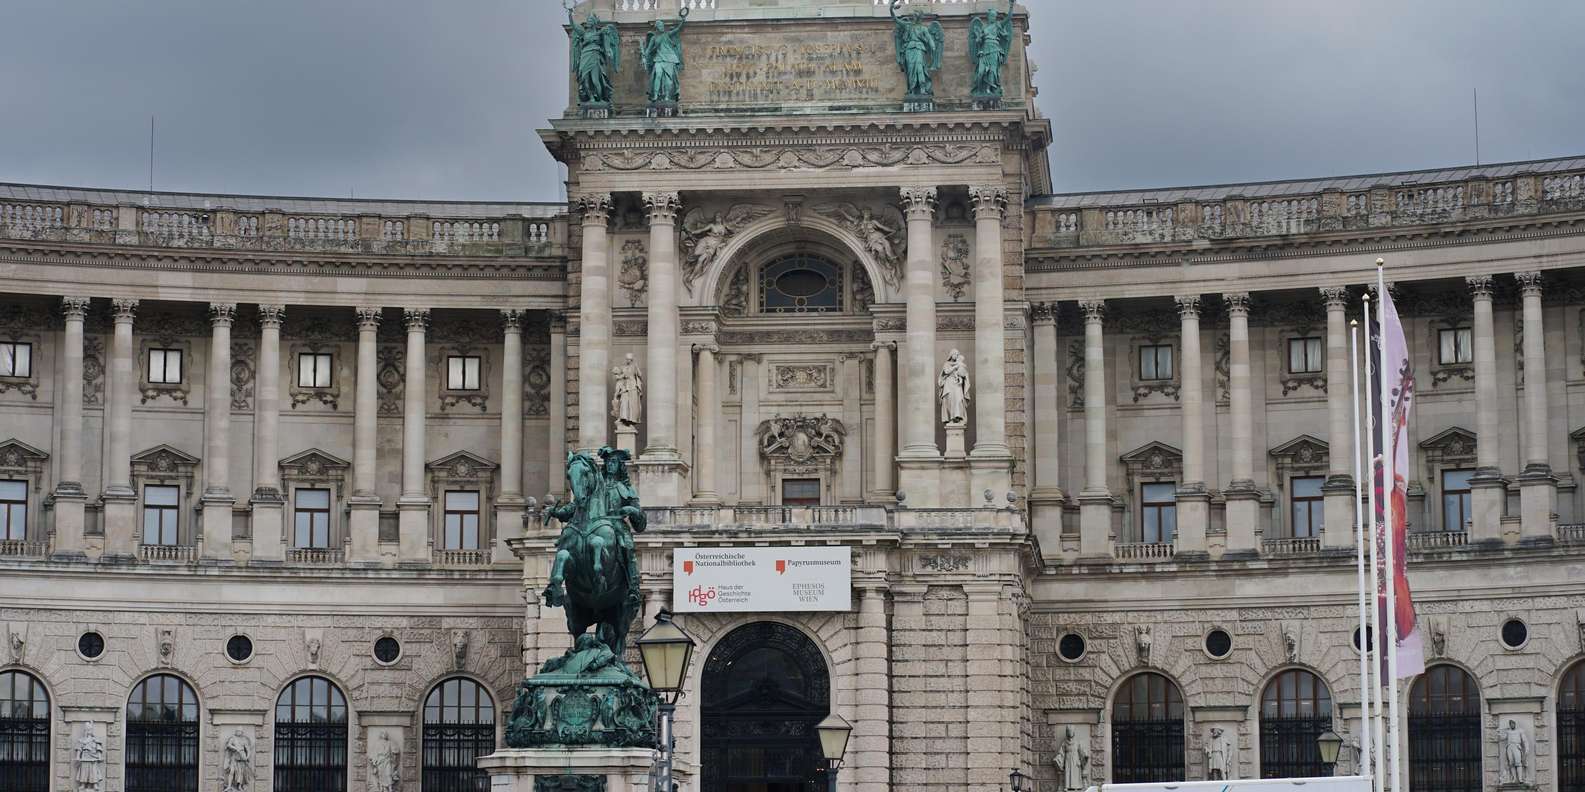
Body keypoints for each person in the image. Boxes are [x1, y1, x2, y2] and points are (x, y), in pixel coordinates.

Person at [642, 15, 686, 104]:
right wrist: (644, 57)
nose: (662, 27)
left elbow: (677, 29)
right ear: (657, 27)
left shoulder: (667, 34)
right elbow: (648, 50)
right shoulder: (654, 38)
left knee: (668, 79)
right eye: (660, 26)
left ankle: (667, 96)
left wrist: (683, 21)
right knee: (657, 75)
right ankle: (655, 95)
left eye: (662, 26)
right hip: (659, 58)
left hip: (670, 59)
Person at [939, 350, 970, 425]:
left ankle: (958, 417)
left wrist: (961, 378)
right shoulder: (947, 364)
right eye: (955, 354)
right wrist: (955, 366)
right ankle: (951, 419)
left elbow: (962, 373)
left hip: (956, 384)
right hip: (949, 384)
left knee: (959, 399)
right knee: (949, 400)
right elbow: (946, 371)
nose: (956, 356)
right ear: (951, 355)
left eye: (957, 354)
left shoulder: (960, 363)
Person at [611, 353, 643, 427]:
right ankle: (623, 418)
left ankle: (631, 420)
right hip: (625, 387)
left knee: (632, 404)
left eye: (629, 359)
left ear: (632, 360)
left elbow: (640, 375)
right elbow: (621, 376)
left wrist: (636, 369)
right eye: (627, 359)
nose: (628, 361)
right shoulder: (624, 367)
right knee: (624, 402)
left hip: (633, 387)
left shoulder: (635, 366)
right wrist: (617, 376)